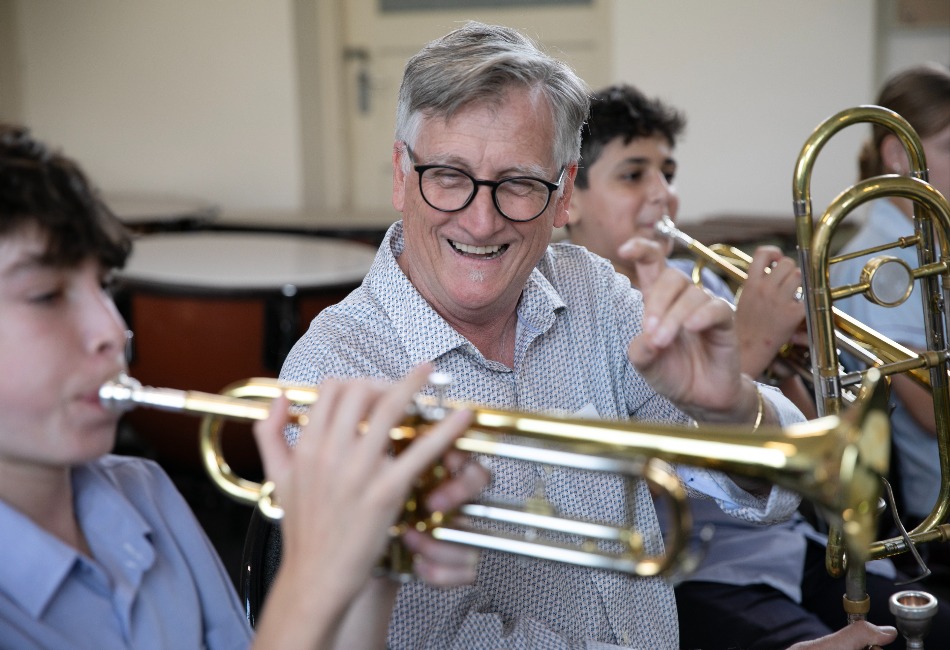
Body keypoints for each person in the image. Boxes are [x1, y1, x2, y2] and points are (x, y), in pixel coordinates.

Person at [279, 21, 816, 649]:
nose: (481, 221)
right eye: (448, 175)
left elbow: (776, 492)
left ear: (562, 195)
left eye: (519, 184)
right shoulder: (335, 370)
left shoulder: (591, 290)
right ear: (401, 175)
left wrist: (731, 408)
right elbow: (420, 638)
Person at [0, 123, 489, 649]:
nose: (112, 331)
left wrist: (370, 574)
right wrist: (314, 574)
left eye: (103, 287)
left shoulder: (145, 493)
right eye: (46, 296)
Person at [567, 83, 950, 650]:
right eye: (633, 175)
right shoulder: (573, 318)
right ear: (569, 198)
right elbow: (629, 491)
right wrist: (750, 347)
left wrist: (792, 360)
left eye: (668, 173)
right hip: (703, 571)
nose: (662, 195)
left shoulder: (707, 283)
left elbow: (810, 437)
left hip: (796, 543)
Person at [829, 62, 950, 580]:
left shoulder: (928, 243)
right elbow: (933, 410)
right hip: (933, 516)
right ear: (899, 155)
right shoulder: (881, 265)